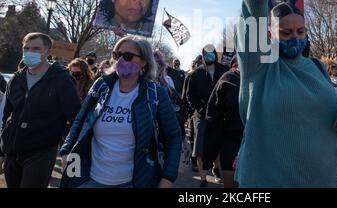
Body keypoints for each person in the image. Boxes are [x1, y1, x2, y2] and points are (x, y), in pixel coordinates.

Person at [235, 0, 337, 188]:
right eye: (285, 32)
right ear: (271, 35)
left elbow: (322, 123)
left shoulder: (317, 67)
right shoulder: (261, 63)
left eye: (300, 32)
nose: (295, 37)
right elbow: (252, 9)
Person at [59, 36, 182, 188]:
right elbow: (80, 121)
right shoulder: (101, 86)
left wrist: (167, 178)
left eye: (128, 56)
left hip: (133, 182)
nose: (120, 60)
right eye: (116, 55)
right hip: (87, 178)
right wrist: (66, 150)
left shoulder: (155, 94)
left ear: (144, 61)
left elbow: (174, 137)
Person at [0, 32, 81, 188]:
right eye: (26, 48)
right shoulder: (17, 79)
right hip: (12, 151)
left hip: (41, 152)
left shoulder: (62, 79)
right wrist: (2, 151)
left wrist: (70, 153)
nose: (30, 52)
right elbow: (7, 116)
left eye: (36, 48)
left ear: (48, 51)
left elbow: (75, 117)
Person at [186, 45, 228, 187]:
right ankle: (203, 179)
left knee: (217, 144)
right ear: (203, 55)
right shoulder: (196, 74)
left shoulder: (224, 71)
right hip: (201, 116)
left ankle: (216, 170)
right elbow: (190, 96)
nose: (210, 56)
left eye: (212, 53)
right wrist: (201, 108)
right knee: (200, 148)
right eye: (207, 54)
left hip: (219, 115)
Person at [203, 56, 243, 188]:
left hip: (260, 147)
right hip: (232, 145)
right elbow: (213, 118)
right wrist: (209, 154)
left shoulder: (267, 77)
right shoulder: (228, 79)